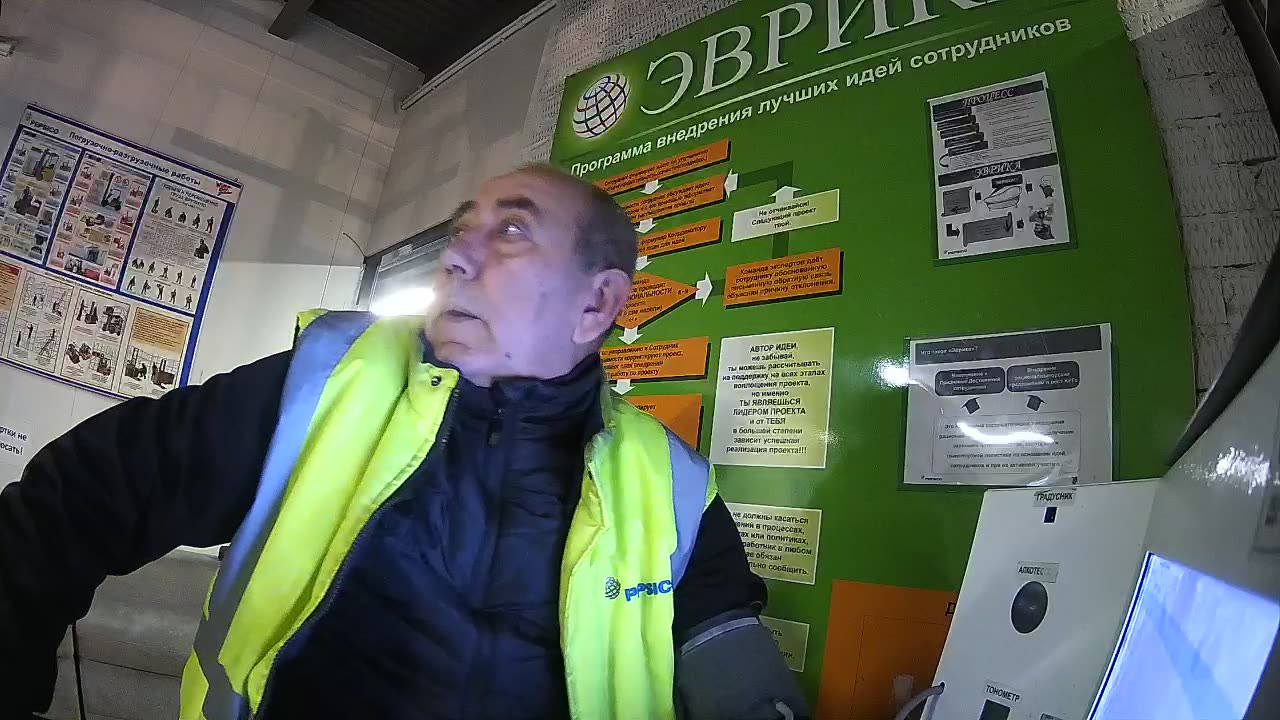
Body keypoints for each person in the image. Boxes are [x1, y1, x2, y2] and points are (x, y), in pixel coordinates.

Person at [0, 165, 807, 720]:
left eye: (512, 230)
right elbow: (77, 501)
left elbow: (737, 676)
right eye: (462, 231)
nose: (457, 255)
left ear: (596, 305)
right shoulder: (326, 381)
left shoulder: (671, 489)